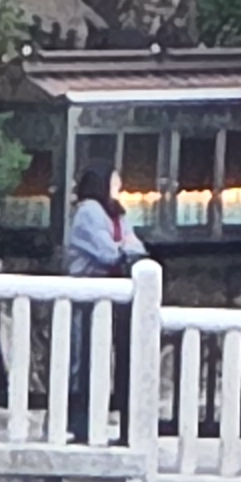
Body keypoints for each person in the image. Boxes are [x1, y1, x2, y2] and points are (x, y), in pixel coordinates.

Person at [61, 166, 144, 432]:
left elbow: (136, 246)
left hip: (112, 293)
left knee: (108, 356)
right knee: (83, 357)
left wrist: (126, 248)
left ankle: (104, 416)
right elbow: (108, 252)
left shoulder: (116, 212)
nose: (119, 184)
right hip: (89, 293)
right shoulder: (88, 211)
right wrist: (125, 248)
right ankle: (79, 420)